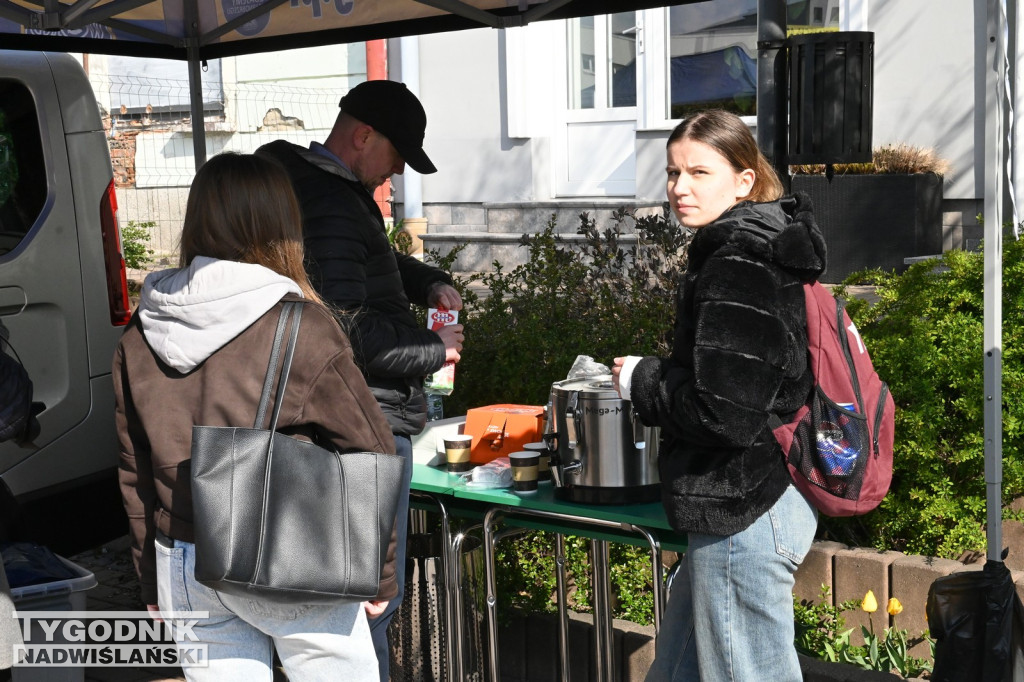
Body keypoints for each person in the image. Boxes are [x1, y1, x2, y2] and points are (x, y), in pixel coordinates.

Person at [114, 152, 398, 681]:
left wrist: (152, 578)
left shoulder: (141, 329)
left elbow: (135, 468)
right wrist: (378, 577)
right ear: (280, 225)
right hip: (286, 547)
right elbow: (372, 451)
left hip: (182, 556)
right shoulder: (301, 326)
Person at [257, 79, 464, 680]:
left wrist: (423, 279)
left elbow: (360, 258)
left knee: (349, 598)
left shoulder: (321, 193)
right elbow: (341, 331)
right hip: (363, 425)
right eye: (396, 156)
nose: (395, 173)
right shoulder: (328, 201)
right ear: (363, 136)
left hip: (341, 425)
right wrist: (432, 348)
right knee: (369, 602)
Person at [612, 109, 826, 681]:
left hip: (743, 509)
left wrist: (643, 380)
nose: (680, 188)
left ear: (744, 179)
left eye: (699, 173)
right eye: (673, 172)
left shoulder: (738, 261)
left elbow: (724, 414)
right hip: (750, 503)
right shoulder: (757, 246)